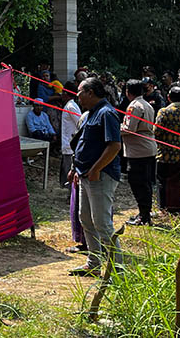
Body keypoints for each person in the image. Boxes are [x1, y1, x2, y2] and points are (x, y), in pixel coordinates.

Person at [67, 77, 122, 277]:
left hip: (101, 176)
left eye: (80, 93)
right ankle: (93, 263)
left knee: (102, 222)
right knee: (85, 219)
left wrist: (97, 168)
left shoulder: (107, 113)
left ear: (90, 92)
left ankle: (117, 268)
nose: (77, 97)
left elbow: (114, 146)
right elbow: (82, 143)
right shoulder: (91, 114)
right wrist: (75, 167)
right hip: (85, 175)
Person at [154, 86, 180, 215]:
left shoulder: (164, 112)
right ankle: (177, 209)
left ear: (168, 97)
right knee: (178, 182)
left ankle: (164, 208)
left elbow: (157, 131)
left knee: (163, 182)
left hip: (165, 154)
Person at [121, 79, 158, 226]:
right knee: (146, 183)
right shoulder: (147, 104)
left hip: (138, 151)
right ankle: (144, 213)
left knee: (138, 183)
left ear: (128, 92)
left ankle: (144, 215)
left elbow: (129, 129)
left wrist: (114, 128)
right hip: (148, 148)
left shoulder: (134, 106)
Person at [60, 81, 87, 253]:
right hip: (67, 146)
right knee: (66, 174)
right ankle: (72, 198)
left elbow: (80, 124)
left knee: (72, 178)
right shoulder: (70, 105)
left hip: (72, 148)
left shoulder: (72, 106)